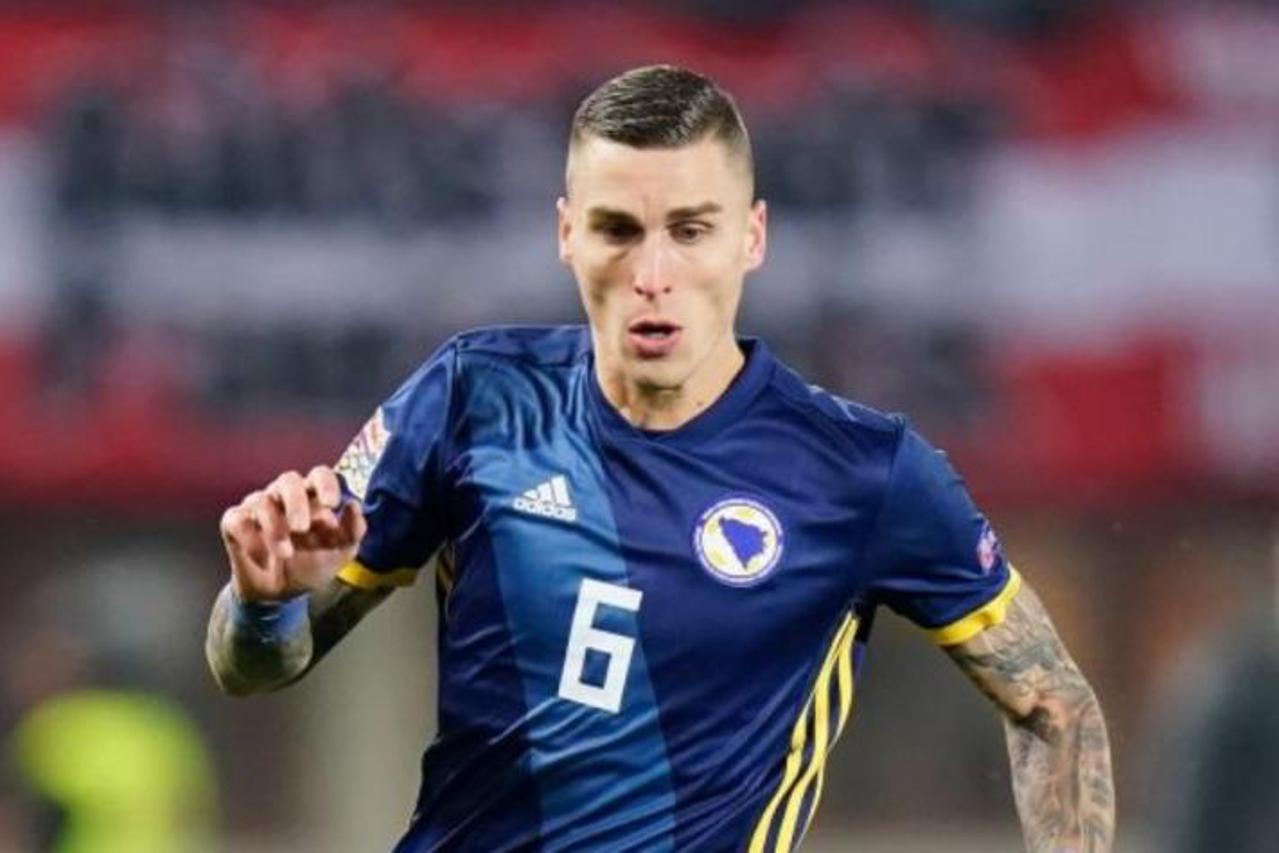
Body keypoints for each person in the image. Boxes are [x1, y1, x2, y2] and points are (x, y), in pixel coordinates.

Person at [206, 65, 1115, 851]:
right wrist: (265, 601)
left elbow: (1053, 706)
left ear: (751, 236)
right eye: (616, 230)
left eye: (690, 230)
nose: (652, 275)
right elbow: (250, 668)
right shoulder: (472, 400)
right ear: (566, 233)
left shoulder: (864, 474)